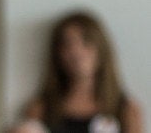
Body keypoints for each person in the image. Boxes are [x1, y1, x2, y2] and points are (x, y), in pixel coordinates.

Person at [10, 11, 144, 133]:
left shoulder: (125, 109)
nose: (76, 53)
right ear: (57, 54)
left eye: (86, 42)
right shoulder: (41, 108)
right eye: (67, 44)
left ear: (101, 48)